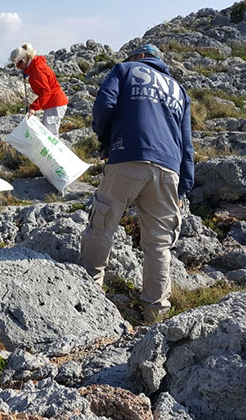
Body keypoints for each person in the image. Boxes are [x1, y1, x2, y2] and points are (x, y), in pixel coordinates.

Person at [77, 44, 194, 323]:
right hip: (169, 169)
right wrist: (183, 188)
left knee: (102, 225)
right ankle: (155, 313)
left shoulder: (125, 70)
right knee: (158, 244)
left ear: (140, 57)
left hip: (127, 155)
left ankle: (89, 294)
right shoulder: (179, 91)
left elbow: (104, 105)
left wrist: (105, 139)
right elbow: (187, 145)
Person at [9, 42, 69, 135]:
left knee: (50, 135)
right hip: (54, 103)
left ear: (25, 58)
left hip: (55, 103)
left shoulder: (37, 71)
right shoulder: (36, 67)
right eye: (16, 65)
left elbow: (46, 92)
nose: (18, 67)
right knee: (49, 134)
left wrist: (34, 107)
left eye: (19, 63)